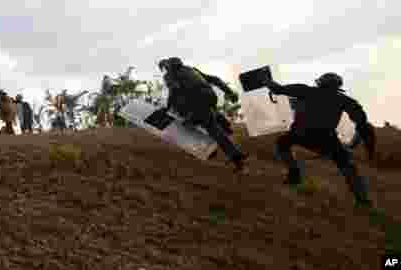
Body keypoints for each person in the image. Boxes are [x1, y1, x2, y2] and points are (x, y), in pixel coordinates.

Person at [264, 72, 375, 207]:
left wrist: (266, 80)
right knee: (348, 167)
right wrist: (357, 145)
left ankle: (294, 173)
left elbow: (277, 89)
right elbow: (362, 123)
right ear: (338, 87)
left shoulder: (306, 91)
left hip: (301, 134)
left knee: (282, 142)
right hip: (326, 139)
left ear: (320, 83)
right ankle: (362, 199)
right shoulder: (343, 100)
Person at [159, 57, 247, 172]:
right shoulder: (192, 69)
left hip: (197, 103)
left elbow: (174, 90)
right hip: (210, 98)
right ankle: (233, 151)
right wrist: (229, 92)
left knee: (194, 125)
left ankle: (221, 151)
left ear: (169, 67)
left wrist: (167, 108)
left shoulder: (169, 75)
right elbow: (215, 79)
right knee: (210, 125)